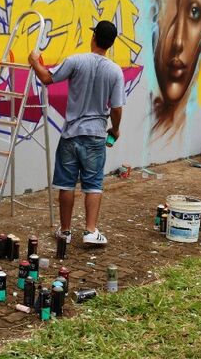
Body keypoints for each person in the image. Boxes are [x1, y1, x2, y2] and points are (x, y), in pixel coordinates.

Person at [28, 20, 126, 245]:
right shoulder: (115, 71)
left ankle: (65, 231)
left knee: (67, 184)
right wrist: (116, 130)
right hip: (96, 136)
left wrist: (34, 61)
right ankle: (91, 231)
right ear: (110, 43)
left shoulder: (76, 61)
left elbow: (46, 78)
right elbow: (116, 107)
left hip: (71, 134)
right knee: (93, 185)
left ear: (93, 38)